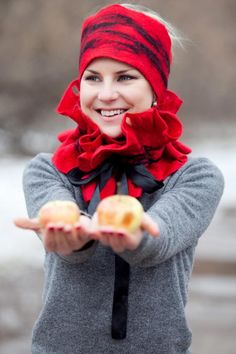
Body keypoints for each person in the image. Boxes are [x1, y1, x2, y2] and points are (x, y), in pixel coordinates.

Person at [15, 3, 224, 354]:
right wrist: (72, 234)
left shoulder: (195, 177)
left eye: (125, 77)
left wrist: (134, 230)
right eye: (93, 77)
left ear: (156, 88)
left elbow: (161, 236)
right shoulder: (47, 169)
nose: (106, 94)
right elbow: (60, 212)